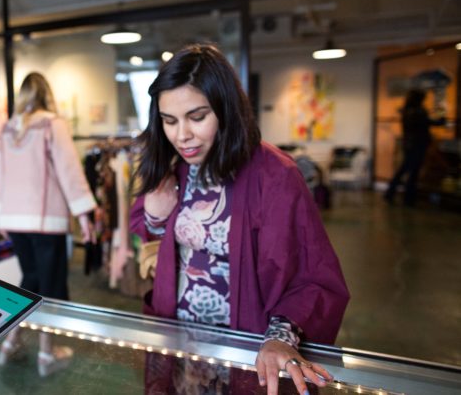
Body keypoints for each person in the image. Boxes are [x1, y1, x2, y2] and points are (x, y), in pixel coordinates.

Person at [130, 44, 350, 395]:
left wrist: (280, 338)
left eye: (197, 117)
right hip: (182, 344)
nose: (181, 135)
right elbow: (153, 240)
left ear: (226, 110)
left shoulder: (276, 175)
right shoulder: (175, 168)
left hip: (246, 349)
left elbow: (313, 276)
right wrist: (156, 214)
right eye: (169, 121)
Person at [0, 72, 97, 376]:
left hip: (15, 218)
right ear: (46, 94)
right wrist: (84, 214)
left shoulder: (7, 129)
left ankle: (10, 341)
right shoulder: (52, 124)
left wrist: (1, 214)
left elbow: (1, 176)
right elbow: (70, 171)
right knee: (49, 286)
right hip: (46, 219)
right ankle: (45, 354)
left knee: (31, 280)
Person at [384, 88, 445, 206]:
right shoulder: (418, 111)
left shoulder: (407, 110)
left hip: (409, 144)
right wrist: (441, 117)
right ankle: (408, 197)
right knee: (413, 172)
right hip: (418, 144)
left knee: (404, 169)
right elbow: (430, 123)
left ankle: (392, 193)